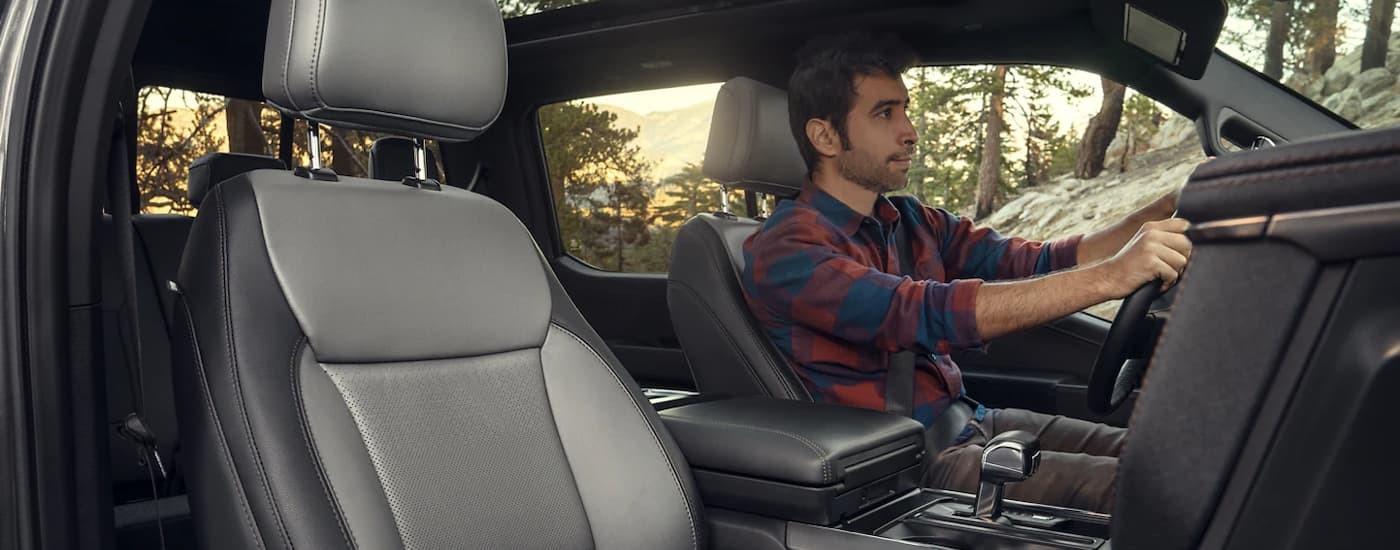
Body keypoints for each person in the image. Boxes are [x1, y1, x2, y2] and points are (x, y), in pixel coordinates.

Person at [740, 31, 1194, 514]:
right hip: (908, 467)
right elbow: (919, 313)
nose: (910, 130)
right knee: (1165, 493)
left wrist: (1163, 210)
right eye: (884, 113)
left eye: (906, 110)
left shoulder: (909, 221)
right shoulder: (786, 251)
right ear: (825, 136)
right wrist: (1111, 276)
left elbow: (1037, 261)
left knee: (1175, 458)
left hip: (973, 422)